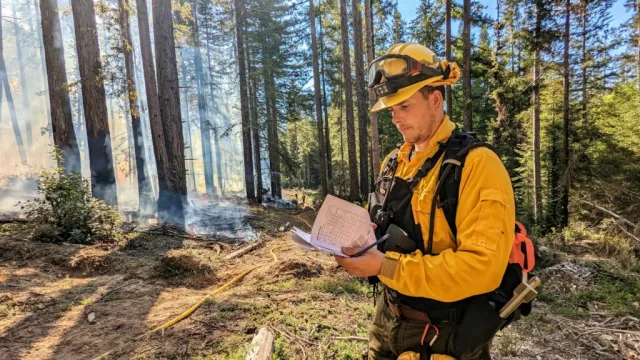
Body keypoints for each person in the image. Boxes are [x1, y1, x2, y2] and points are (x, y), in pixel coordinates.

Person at [334, 42, 517, 360]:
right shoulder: (394, 161)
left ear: (435, 99)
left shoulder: (478, 165)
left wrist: (384, 266)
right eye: (392, 109)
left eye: (404, 106)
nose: (395, 119)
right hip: (388, 315)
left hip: (442, 333)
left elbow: (481, 269)